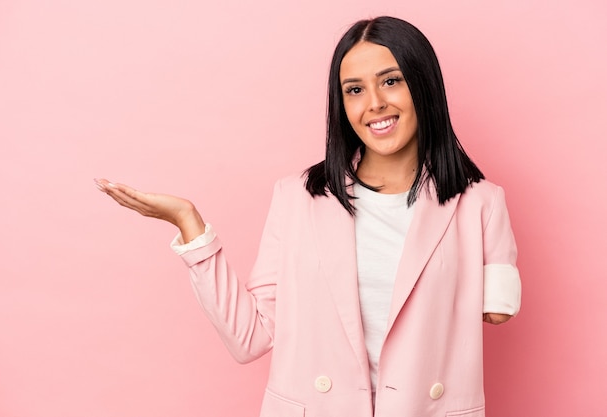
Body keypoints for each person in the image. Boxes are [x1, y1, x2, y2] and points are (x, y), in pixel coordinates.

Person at [95, 16, 521, 417]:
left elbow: (498, 310)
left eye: (391, 81)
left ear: (424, 86)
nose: (374, 104)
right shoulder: (297, 198)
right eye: (354, 90)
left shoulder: (480, 203)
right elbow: (250, 337)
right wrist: (189, 224)